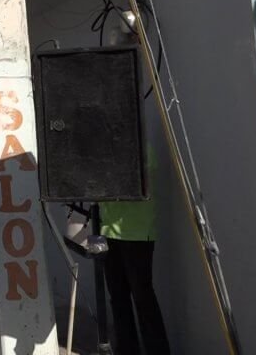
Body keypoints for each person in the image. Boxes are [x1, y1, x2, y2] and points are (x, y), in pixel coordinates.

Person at [99, 146, 171, 355]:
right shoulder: (104, 147)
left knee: (143, 297)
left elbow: (144, 173)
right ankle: (127, 349)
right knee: (118, 296)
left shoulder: (140, 143)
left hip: (137, 232)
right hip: (108, 229)